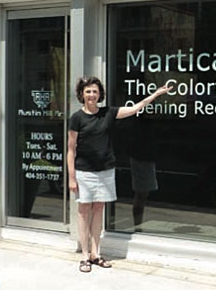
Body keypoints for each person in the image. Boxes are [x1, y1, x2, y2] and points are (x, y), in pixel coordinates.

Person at [67, 76, 170, 273]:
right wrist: (72, 178)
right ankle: (84, 255)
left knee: (99, 209)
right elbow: (71, 150)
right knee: (83, 212)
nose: (91, 95)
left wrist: (156, 94)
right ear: (82, 94)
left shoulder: (108, 113)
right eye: (88, 91)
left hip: (105, 171)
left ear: (100, 94)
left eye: (95, 91)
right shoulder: (76, 118)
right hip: (84, 172)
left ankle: (96, 253)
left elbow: (135, 108)